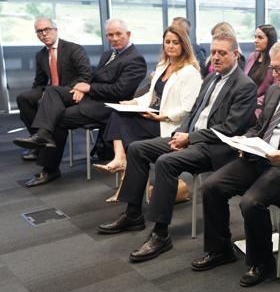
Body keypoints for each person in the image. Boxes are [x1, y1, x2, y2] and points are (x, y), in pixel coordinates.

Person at [96, 32, 256, 264]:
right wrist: (178, 133)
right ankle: (133, 215)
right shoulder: (211, 79)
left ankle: (160, 234)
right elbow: (192, 112)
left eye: (222, 53)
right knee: (137, 149)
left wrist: (189, 138)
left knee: (166, 162)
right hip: (191, 137)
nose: (216, 57)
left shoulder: (244, 86)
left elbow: (229, 129)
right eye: (213, 53)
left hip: (215, 147)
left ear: (235, 54)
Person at [190, 41, 280, 287]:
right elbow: (260, 127)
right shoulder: (275, 92)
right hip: (260, 157)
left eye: (279, 69)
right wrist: (244, 141)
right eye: (272, 69)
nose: (274, 75)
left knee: (251, 202)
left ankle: (262, 263)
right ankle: (220, 249)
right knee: (211, 187)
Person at [13, 18, 147, 187]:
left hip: (109, 107)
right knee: (52, 91)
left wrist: (88, 88)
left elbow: (120, 91)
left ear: (128, 34)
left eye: (118, 34)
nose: (113, 38)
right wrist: (80, 88)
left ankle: (49, 167)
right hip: (93, 98)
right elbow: (93, 77)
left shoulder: (135, 59)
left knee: (58, 117)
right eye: (110, 35)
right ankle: (43, 135)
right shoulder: (109, 54)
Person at [93, 25, 202, 202]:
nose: (171, 46)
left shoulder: (190, 72)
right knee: (117, 114)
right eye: (167, 42)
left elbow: (187, 108)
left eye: (176, 42)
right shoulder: (163, 65)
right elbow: (151, 95)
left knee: (127, 131)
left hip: (169, 123)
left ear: (184, 45)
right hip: (152, 115)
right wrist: (134, 102)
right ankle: (120, 157)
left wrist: (163, 116)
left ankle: (124, 176)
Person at [16, 18, 92, 161]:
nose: (44, 34)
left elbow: (86, 75)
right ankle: (38, 140)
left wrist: (55, 93)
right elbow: (39, 82)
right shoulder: (41, 55)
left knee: (48, 98)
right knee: (24, 98)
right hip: (52, 90)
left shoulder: (74, 49)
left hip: (72, 92)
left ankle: (42, 139)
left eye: (47, 30)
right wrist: (38, 94)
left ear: (56, 30)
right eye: (39, 31)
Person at [244, 24, 277, 116]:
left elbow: (276, 91)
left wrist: (253, 102)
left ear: (270, 40)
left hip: (260, 108)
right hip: (244, 103)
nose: (256, 41)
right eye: (255, 37)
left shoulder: (275, 62)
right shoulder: (252, 57)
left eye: (260, 38)